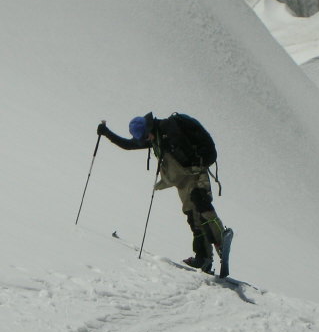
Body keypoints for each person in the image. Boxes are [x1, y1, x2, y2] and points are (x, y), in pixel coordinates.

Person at [97, 112, 233, 277]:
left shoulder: (170, 130)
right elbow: (128, 145)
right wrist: (106, 132)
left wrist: (200, 163)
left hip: (196, 172)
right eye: (144, 139)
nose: (147, 140)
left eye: (146, 136)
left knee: (201, 201)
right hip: (182, 180)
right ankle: (203, 258)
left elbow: (196, 148)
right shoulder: (154, 137)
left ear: (148, 128)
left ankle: (220, 240)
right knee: (193, 217)